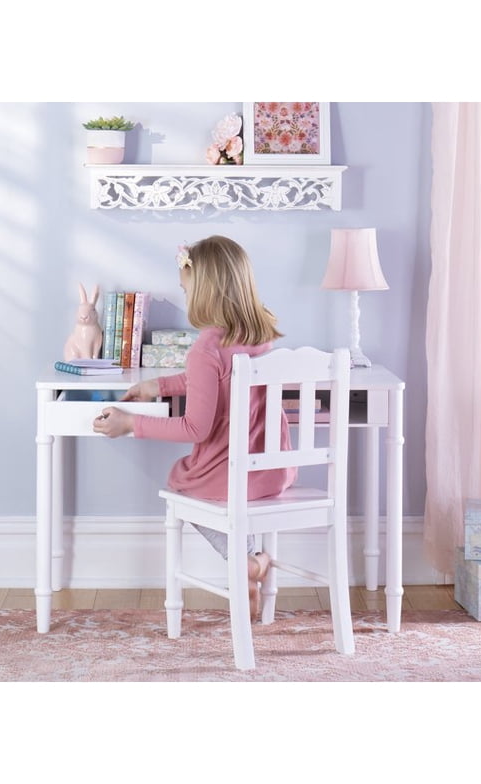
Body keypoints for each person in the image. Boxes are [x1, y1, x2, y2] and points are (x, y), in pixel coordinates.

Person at [93, 235, 296, 619]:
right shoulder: (260, 336)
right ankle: (249, 559)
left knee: (180, 479)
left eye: (186, 291)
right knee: (229, 494)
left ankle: (246, 563)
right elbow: (215, 380)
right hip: (272, 473)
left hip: (230, 474)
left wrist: (131, 425)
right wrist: (160, 385)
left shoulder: (206, 347)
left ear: (204, 292)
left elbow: (195, 428)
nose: (186, 298)